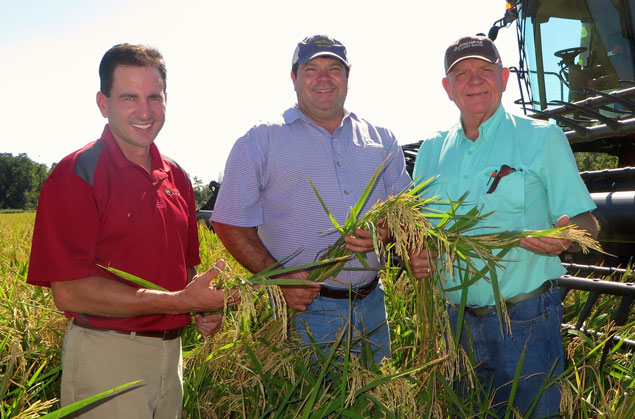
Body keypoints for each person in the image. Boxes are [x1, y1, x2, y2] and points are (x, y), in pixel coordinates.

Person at [27, 43, 239, 418]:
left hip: (171, 357)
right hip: (106, 357)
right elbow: (70, 292)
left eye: (154, 97)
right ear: (103, 103)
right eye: (129, 97)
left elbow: (185, 272)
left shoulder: (177, 177)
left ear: (166, 100)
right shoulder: (75, 175)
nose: (145, 111)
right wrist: (179, 302)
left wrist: (202, 306)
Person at [409, 35, 598, 416]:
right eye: (461, 74)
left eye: (484, 70)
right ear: (448, 89)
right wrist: (418, 255)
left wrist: (567, 238)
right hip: (455, 323)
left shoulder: (542, 137)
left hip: (525, 320)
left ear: (505, 77)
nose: (474, 80)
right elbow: (421, 235)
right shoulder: (431, 151)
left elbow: (587, 222)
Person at [210, 34, 411, 363]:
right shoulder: (260, 140)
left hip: (373, 306)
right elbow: (228, 221)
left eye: (334, 68)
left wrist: (383, 232)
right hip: (304, 310)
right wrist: (279, 276)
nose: (323, 78)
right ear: (294, 78)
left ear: (347, 76)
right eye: (311, 69)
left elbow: (403, 213)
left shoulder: (381, 139)